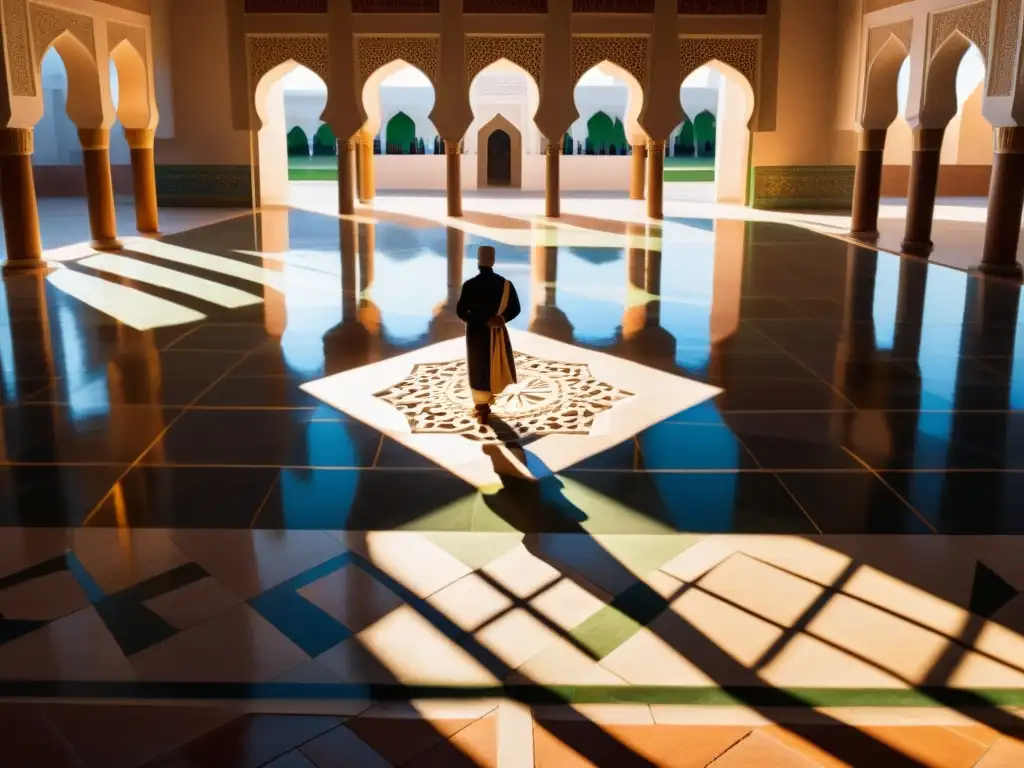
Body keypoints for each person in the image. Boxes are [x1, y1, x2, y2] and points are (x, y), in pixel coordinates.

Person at [456, 245, 521, 423]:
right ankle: (492, 394)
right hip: (497, 331)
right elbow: (515, 308)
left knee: (478, 367)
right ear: (493, 261)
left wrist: (481, 320)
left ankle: (481, 405)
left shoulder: (469, 285)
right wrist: (500, 319)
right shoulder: (505, 284)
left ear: (478, 261)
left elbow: (462, 312)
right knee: (494, 361)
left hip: (476, 333)